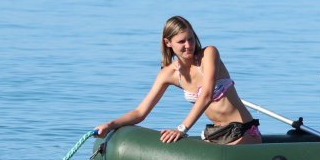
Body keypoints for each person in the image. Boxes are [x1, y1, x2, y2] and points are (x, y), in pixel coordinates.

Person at [95, 16, 262, 145]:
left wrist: (181, 129)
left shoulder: (208, 54)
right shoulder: (168, 74)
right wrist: (110, 124)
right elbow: (140, 113)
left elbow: (206, 95)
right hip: (216, 133)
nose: (188, 45)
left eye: (190, 39)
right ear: (168, 43)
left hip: (244, 132)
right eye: (181, 41)